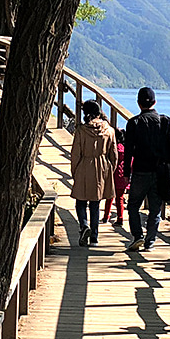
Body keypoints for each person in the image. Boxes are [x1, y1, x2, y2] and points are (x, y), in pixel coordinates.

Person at [122, 87, 170, 252]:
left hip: (140, 170)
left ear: (138, 104)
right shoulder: (165, 121)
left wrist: (126, 173)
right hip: (160, 172)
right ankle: (150, 241)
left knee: (133, 205)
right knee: (155, 207)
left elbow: (128, 150)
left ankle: (137, 235)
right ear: (155, 102)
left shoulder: (134, 123)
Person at [68, 99, 115, 247]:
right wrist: (109, 170)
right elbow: (114, 155)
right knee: (95, 203)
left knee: (80, 202)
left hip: (84, 165)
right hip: (102, 166)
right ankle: (94, 237)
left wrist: (74, 171)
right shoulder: (109, 130)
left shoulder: (81, 130)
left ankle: (83, 225)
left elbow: (75, 153)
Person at [103, 128, 130, 226]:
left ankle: (106, 216)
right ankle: (120, 218)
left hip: (112, 175)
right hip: (122, 177)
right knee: (120, 198)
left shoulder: (112, 148)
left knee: (109, 197)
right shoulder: (126, 150)